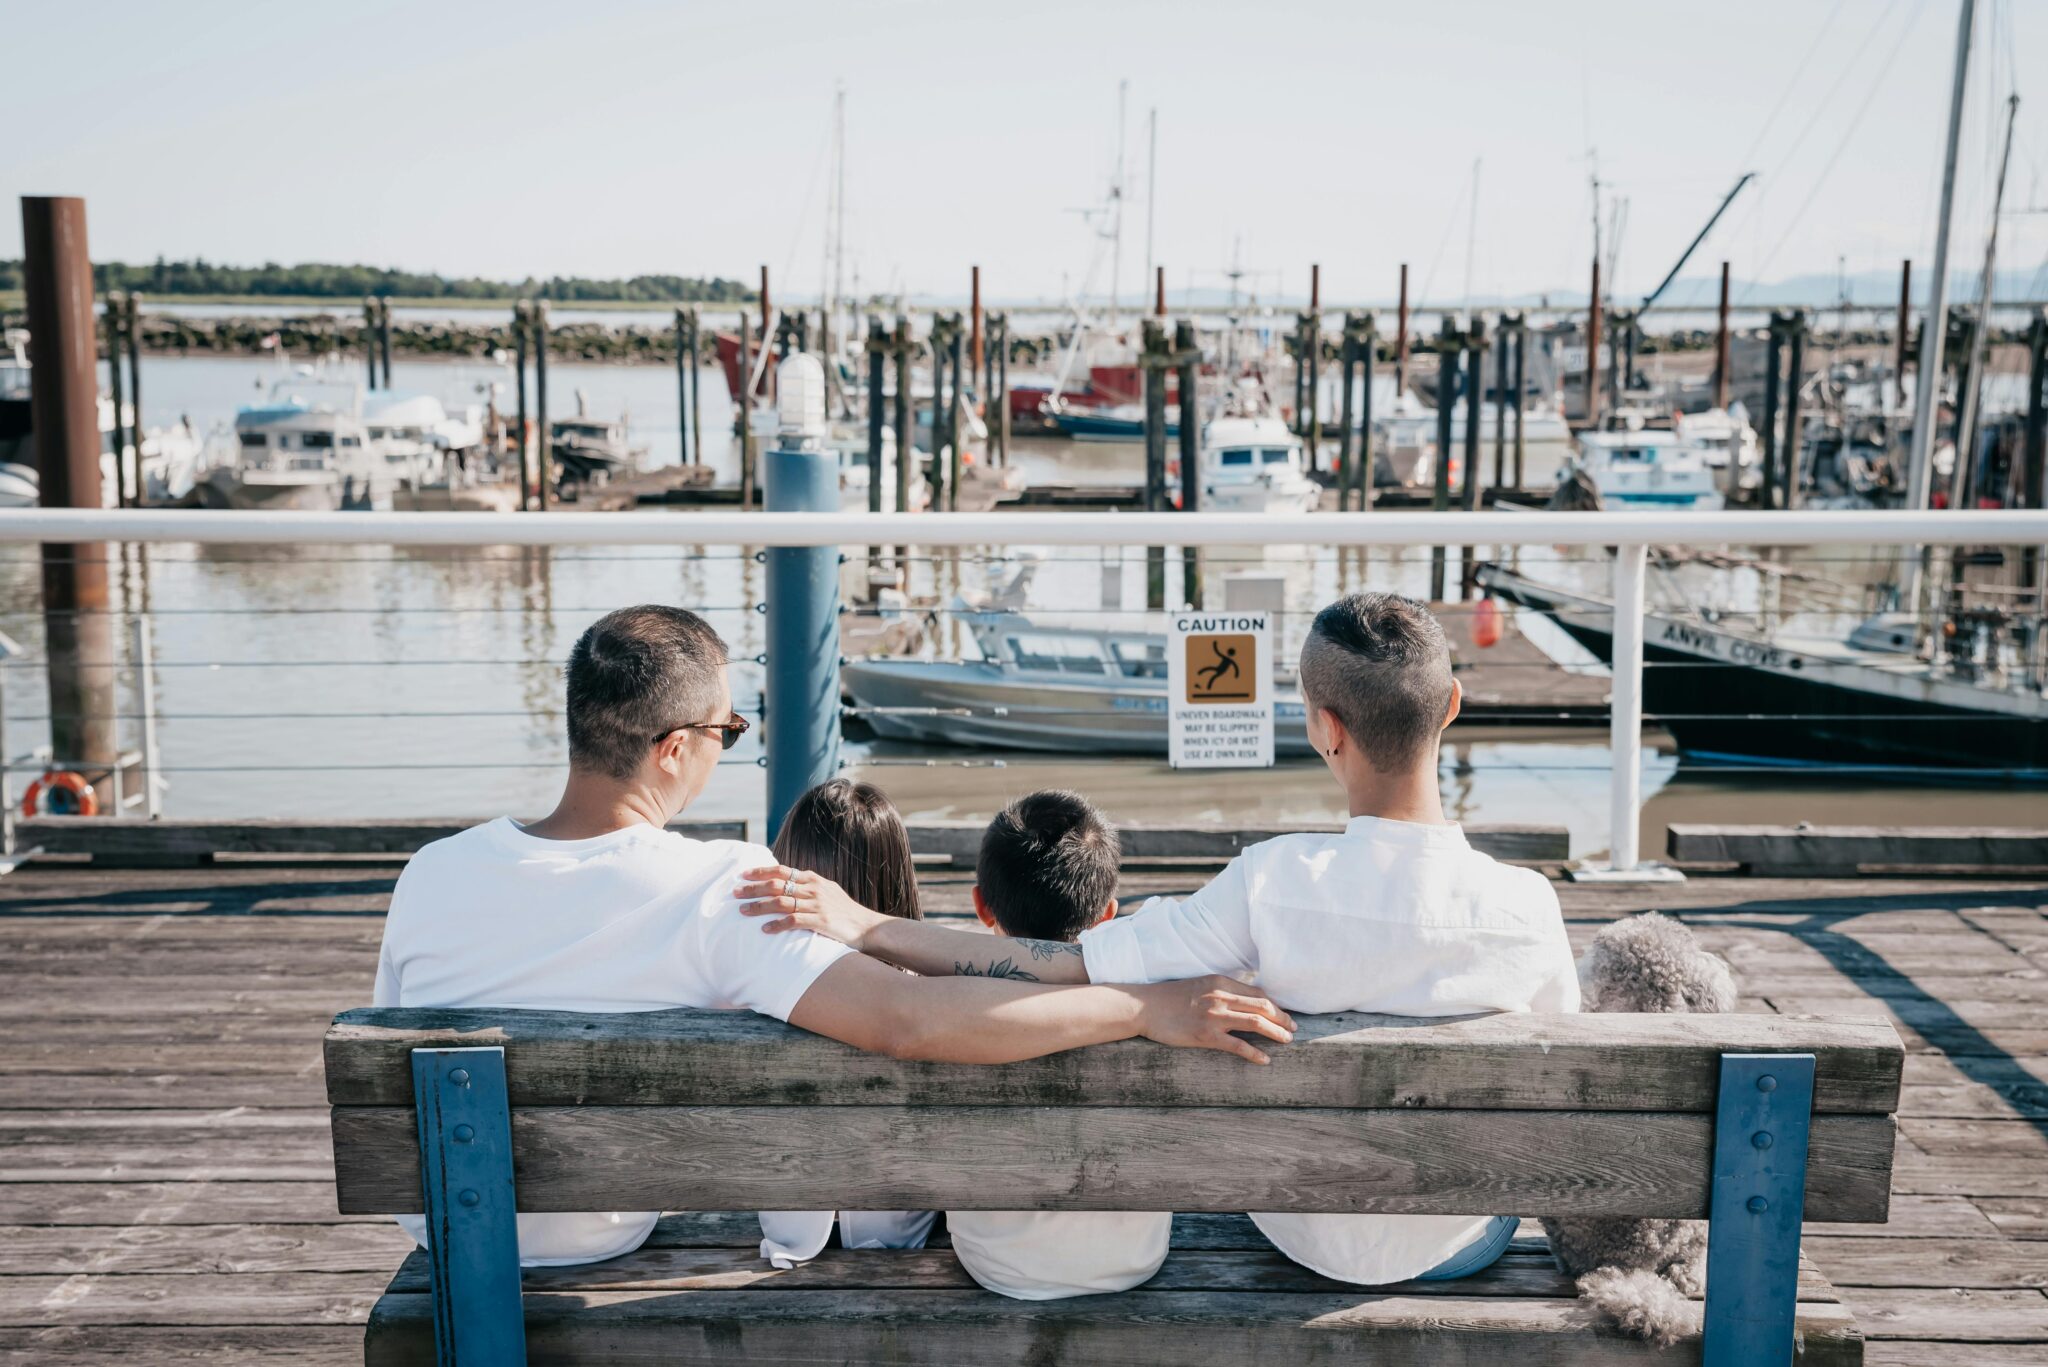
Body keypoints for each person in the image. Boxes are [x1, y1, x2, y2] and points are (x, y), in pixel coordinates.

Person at [373, 605, 1293, 1268]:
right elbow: (915, 1021)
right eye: (727, 730)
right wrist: (1142, 1004)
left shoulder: (431, 872)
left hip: (457, 1227)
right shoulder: (718, 886)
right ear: (671, 748)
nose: (727, 743)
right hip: (600, 1229)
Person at [738, 592, 1579, 1287]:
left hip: (1308, 1231)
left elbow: (1068, 964)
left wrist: (869, 925)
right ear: (1453, 707)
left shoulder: (1269, 883)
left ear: (1325, 727)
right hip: (1460, 1240)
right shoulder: (1532, 908)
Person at [943, 789, 1174, 1299]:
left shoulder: (949, 1009)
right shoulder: (1163, 1000)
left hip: (994, 1260)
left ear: (981, 906)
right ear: (1108, 913)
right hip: (1135, 1257)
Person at [755, 779, 933, 1268]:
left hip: (789, 1233)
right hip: (898, 1232)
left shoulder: (749, 988)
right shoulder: (931, 997)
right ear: (898, 877)